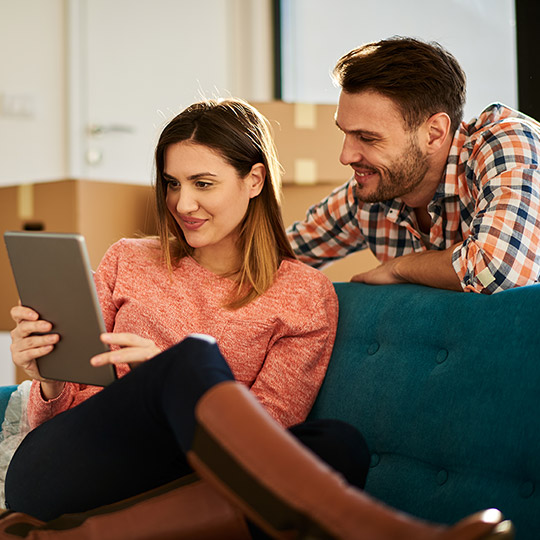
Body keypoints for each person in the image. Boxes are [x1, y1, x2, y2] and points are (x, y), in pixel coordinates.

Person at [5, 98, 369, 524]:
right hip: (65, 466)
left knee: (340, 446)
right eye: (172, 183)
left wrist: (171, 385)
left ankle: (96, 534)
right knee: (193, 355)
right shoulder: (128, 259)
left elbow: (269, 440)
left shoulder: (305, 293)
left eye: (203, 183)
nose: (182, 204)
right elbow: (67, 413)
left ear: (254, 180)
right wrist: (48, 380)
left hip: (193, 475)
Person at [287, 36, 540, 294]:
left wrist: (399, 268)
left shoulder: (506, 143)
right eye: (345, 133)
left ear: (434, 133)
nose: (345, 156)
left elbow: (498, 269)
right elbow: (271, 261)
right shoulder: (374, 192)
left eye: (367, 138)